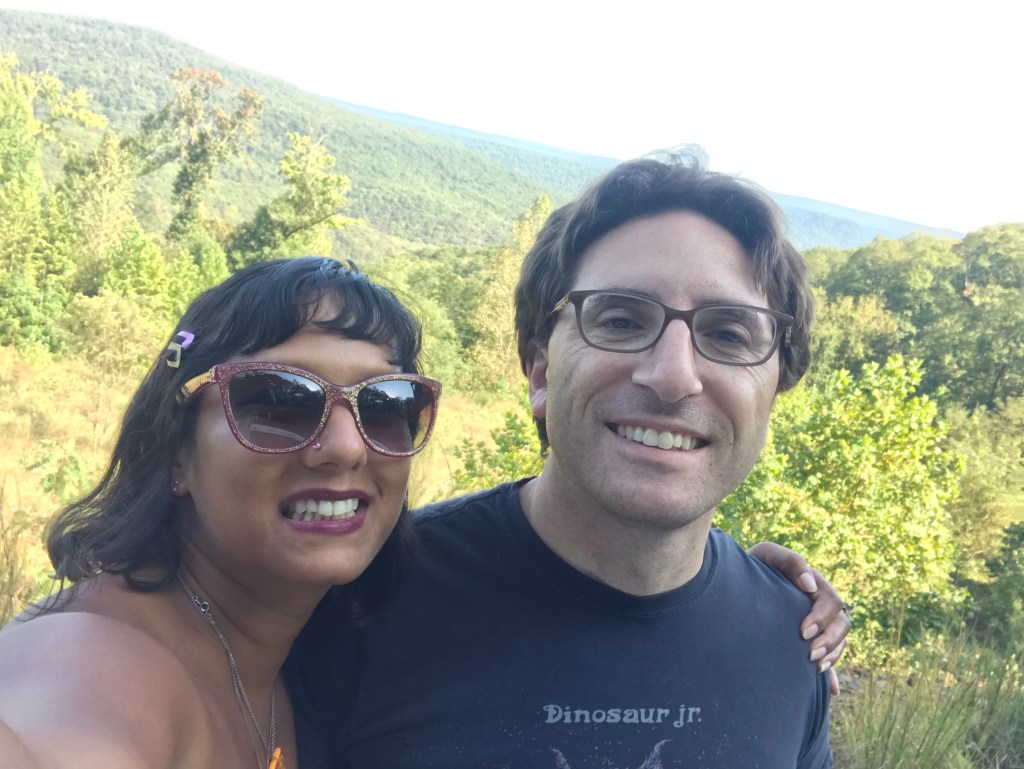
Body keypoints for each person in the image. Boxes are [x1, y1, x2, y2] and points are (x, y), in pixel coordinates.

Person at [290, 150, 846, 768]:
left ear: (773, 393)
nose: (672, 377)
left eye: (728, 335)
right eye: (621, 320)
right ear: (540, 372)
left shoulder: (794, 640)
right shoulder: (358, 607)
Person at [0, 257, 443, 769]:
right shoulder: (93, 660)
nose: (347, 448)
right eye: (280, 401)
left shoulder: (300, 662)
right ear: (176, 451)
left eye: (385, 405)